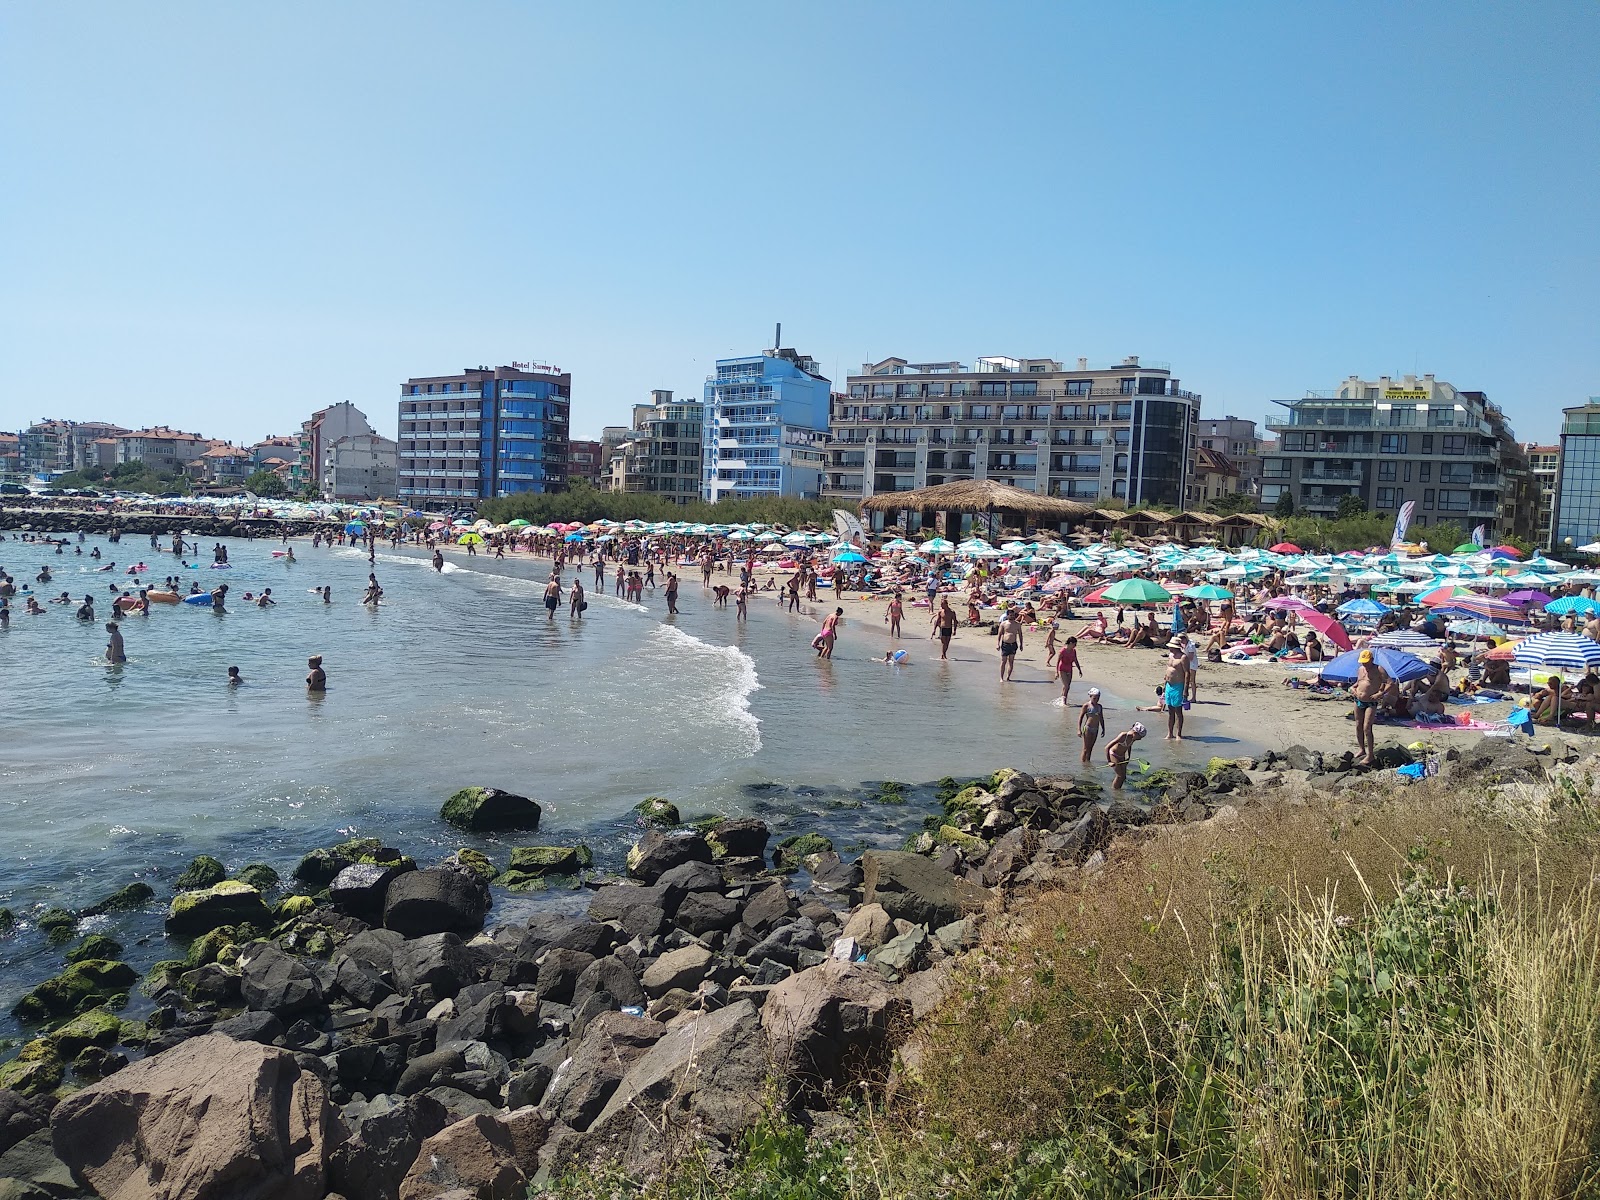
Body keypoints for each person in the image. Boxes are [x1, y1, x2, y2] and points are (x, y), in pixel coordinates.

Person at [1351, 649, 1389, 765]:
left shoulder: (1379, 669)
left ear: (1372, 660)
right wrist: (1353, 689)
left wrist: (1380, 694)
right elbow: (1358, 683)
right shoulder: (1361, 669)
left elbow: (1390, 683)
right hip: (1358, 700)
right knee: (1358, 725)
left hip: (1371, 702)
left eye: (1366, 662)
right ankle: (1362, 749)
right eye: (1362, 662)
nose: (1364, 664)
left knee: (1367, 727)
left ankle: (1370, 755)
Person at [1105, 723, 1146, 791]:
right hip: (1114, 754)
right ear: (1135, 733)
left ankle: (1118, 791)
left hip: (1122, 756)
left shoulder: (1133, 738)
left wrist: (1128, 757)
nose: (1140, 739)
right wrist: (1109, 761)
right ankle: (1114, 791)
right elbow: (1107, 747)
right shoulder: (1123, 735)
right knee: (1119, 775)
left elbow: (1129, 746)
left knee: (1123, 777)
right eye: (1140, 737)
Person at [1162, 643, 1187, 740]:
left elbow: (1187, 673)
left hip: (1178, 685)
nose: (1169, 648)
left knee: (1178, 711)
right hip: (1169, 685)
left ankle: (1179, 734)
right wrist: (1164, 684)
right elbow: (1168, 670)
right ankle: (1170, 733)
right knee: (1170, 710)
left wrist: (1185, 690)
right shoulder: (1171, 655)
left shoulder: (1183, 657)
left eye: (1170, 647)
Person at [1078, 686, 1105, 764]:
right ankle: (1083, 764)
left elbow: (1101, 718)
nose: (1096, 700)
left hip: (1096, 729)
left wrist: (1103, 729)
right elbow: (1080, 717)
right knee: (1085, 748)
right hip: (1088, 728)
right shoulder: (1086, 706)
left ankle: (1088, 763)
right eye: (1094, 698)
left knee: (1090, 748)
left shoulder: (1099, 706)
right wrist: (1079, 729)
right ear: (1090, 697)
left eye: (1098, 698)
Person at [1054, 636, 1080, 702]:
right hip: (1062, 669)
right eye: (1074, 644)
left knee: (1067, 687)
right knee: (1066, 686)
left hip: (1069, 669)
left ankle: (1062, 699)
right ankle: (1064, 702)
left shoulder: (1073, 651)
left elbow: (1075, 660)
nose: (1075, 646)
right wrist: (1056, 672)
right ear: (1071, 643)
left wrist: (1079, 670)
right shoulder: (1063, 651)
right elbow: (1058, 662)